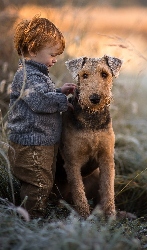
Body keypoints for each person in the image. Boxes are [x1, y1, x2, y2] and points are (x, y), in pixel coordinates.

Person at [7, 15, 76, 219]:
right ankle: (31, 220)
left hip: (42, 143)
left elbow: (41, 95)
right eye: (52, 54)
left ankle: (37, 213)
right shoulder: (27, 75)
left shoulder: (37, 74)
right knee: (38, 183)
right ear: (33, 49)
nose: (55, 59)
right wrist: (63, 102)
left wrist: (59, 91)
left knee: (45, 180)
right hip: (31, 145)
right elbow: (39, 102)